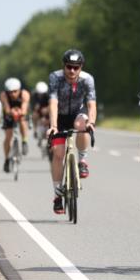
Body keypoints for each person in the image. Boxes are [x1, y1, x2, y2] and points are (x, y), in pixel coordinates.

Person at [47, 49, 97, 214]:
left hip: (77, 112)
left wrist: (92, 122)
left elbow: (91, 103)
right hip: (59, 116)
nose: (72, 71)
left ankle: (82, 161)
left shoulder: (87, 79)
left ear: (81, 67)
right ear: (64, 66)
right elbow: (53, 102)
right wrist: (53, 125)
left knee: (82, 125)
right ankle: (57, 196)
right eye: (69, 67)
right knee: (58, 153)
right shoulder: (55, 77)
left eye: (76, 67)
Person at [1, 77, 30, 172]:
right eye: (10, 92)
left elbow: (24, 108)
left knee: (22, 120)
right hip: (9, 113)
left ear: (19, 90)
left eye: (15, 91)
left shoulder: (25, 94)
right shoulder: (4, 95)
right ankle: (6, 159)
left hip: (21, 111)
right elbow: (6, 108)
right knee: (8, 136)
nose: (12, 94)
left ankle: (24, 141)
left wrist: (20, 112)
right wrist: (11, 112)